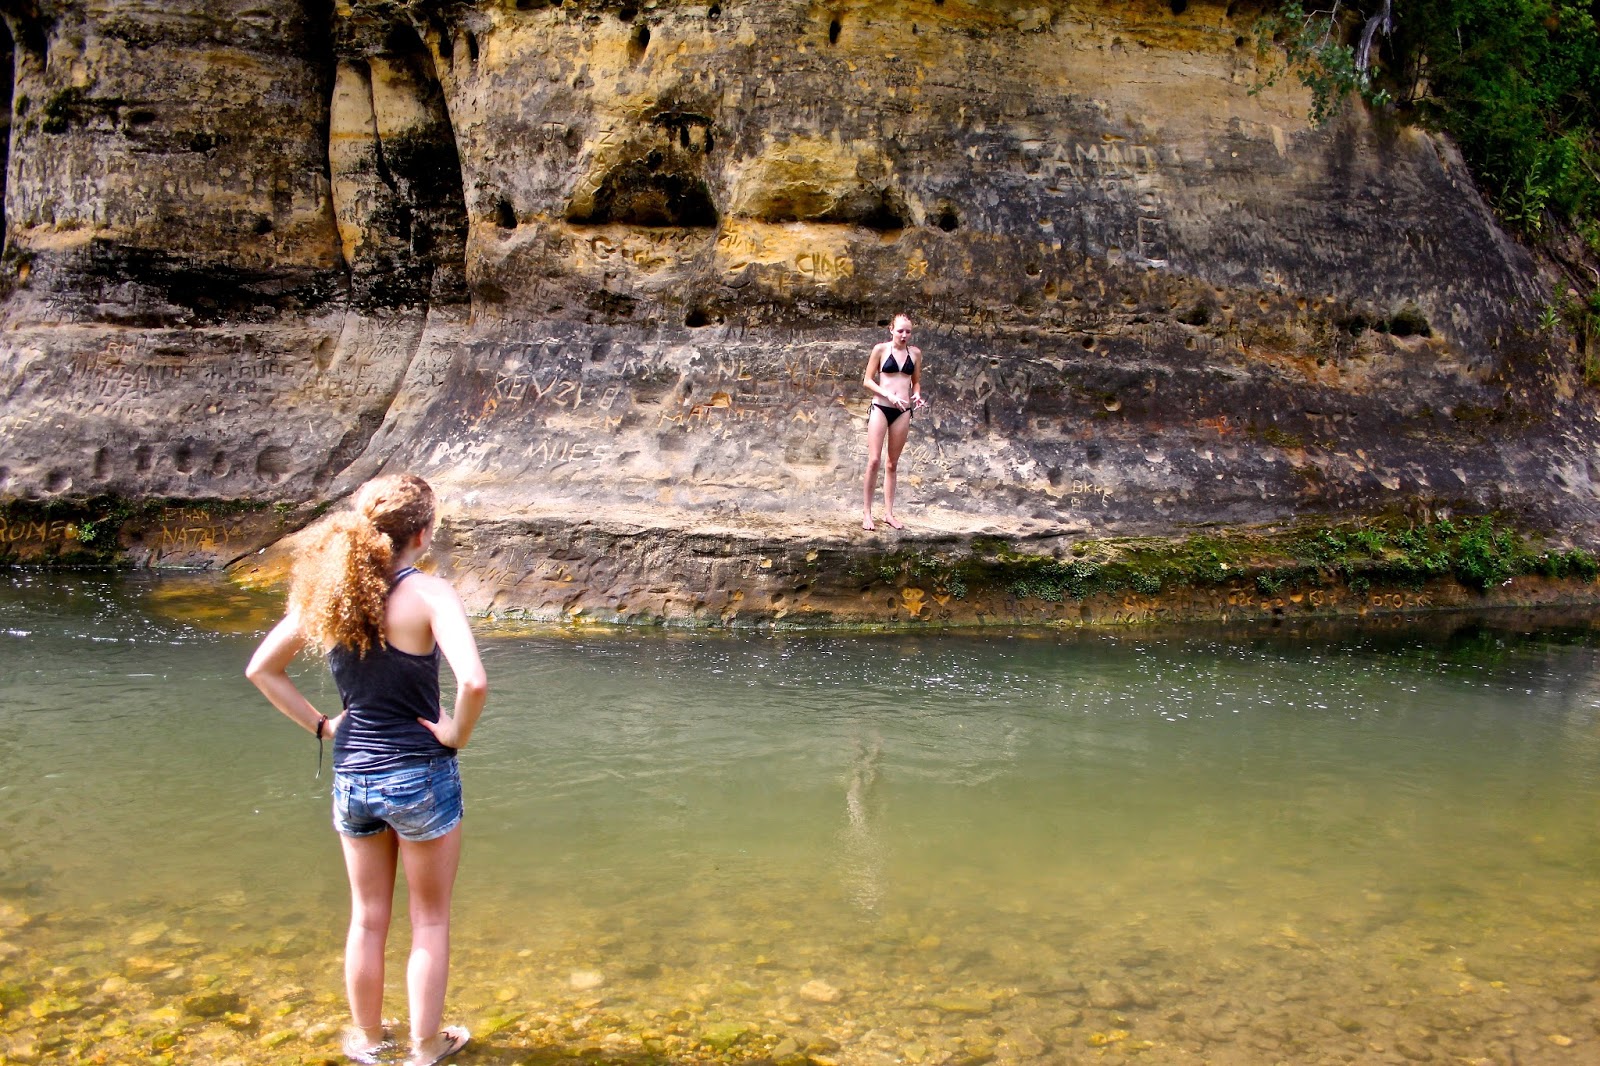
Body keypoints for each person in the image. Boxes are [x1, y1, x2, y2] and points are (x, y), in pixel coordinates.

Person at [246, 473, 486, 1066]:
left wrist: (322, 726)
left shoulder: (333, 589)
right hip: (420, 774)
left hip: (353, 778)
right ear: (422, 534)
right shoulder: (430, 594)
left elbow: (261, 669)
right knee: (429, 920)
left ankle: (369, 1043)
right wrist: (455, 733)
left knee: (368, 919)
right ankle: (426, 1048)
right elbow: (474, 682)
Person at [861, 313, 926, 531]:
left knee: (892, 463)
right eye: (900, 331)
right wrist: (888, 395)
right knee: (874, 461)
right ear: (891, 330)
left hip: (903, 410)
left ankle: (888, 513)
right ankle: (867, 513)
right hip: (881, 407)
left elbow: (915, 382)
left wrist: (917, 394)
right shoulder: (881, 349)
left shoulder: (915, 353)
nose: (904, 335)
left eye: (908, 332)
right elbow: (867, 380)